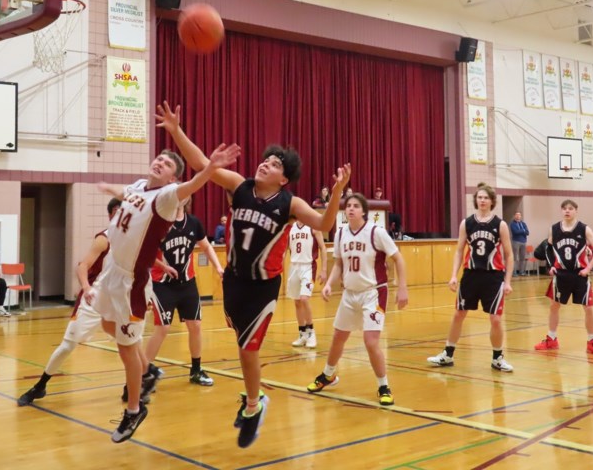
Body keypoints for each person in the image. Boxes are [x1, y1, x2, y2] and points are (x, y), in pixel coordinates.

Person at [157, 100, 350, 449]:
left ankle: (252, 404)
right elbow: (202, 163)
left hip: (263, 287)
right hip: (233, 281)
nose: (266, 164)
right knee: (241, 342)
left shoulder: (289, 204)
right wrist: (175, 130)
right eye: (266, 159)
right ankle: (253, 399)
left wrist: (336, 192)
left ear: (284, 178)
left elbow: (325, 223)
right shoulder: (239, 186)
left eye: (275, 164)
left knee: (248, 348)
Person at [93, 143, 241, 444]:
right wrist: (111, 189)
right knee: (106, 325)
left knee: (126, 348)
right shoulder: (139, 185)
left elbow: (191, 185)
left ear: (173, 179)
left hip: (131, 283)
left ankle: (134, 410)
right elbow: (129, 195)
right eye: (158, 158)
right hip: (112, 271)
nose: (159, 162)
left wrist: (210, 168)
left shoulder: (166, 198)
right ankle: (148, 370)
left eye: (167, 164)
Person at [18, 198, 124, 408]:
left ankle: (136, 384)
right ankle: (40, 385)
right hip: (95, 297)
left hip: (119, 297)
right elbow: (82, 266)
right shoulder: (104, 238)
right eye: (122, 211)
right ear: (113, 214)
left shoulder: (132, 239)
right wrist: (86, 288)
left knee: (128, 341)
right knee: (68, 345)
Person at [306, 193, 408, 405]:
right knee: (338, 336)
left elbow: (398, 259)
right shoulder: (341, 233)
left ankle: (383, 385)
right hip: (349, 294)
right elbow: (339, 264)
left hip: (373, 292)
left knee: (370, 342)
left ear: (363, 211)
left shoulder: (376, 232)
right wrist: (328, 284)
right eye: (348, 206)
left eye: (355, 206)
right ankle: (328, 374)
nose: (350, 209)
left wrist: (402, 288)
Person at [427, 183, 515, 372]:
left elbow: (509, 255)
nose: (482, 200)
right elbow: (459, 251)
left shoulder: (500, 224)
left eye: (485, 197)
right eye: (479, 197)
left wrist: (507, 281)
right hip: (471, 275)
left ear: (492, 201)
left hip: (493, 277)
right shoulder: (466, 223)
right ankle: (447, 354)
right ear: (476, 200)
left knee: (496, 319)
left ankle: (497, 357)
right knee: (459, 314)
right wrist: (453, 275)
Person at [144, 196, 225, 387]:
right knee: (162, 328)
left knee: (195, 325)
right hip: (162, 284)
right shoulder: (159, 224)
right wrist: (163, 267)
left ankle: (196, 370)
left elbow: (205, 246)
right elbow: (145, 253)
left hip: (187, 283)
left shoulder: (193, 223)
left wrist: (219, 267)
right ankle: (143, 373)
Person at [533, 200, 593, 356]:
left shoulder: (583, 228)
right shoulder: (554, 228)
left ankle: (591, 341)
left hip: (580, 273)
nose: (567, 211)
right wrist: (551, 265)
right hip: (562, 274)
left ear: (576, 211)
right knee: (554, 306)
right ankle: (551, 339)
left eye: (570, 209)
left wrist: (588, 268)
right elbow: (549, 248)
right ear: (561, 211)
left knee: (588, 308)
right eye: (565, 209)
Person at [287, 219, 328, 349]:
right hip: (294, 266)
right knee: (297, 301)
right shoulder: (290, 228)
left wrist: (324, 270)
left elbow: (323, 247)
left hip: (308, 267)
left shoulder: (313, 227)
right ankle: (302, 334)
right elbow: (284, 250)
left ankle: (311, 333)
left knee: (304, 299)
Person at [509, 212, 530, 276]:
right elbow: (515, 232)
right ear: (514, 216)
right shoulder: (512, 224)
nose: (518, 216)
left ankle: (522, 271)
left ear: (521, 216)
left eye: (519, 215)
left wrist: (522, 231)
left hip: (523, 242)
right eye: (517, 215)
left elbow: (527, 232)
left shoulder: (523, 224)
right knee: (515, 258)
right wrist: (523, 230)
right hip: (516, 241)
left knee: (522, 258)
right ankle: (514, 272)